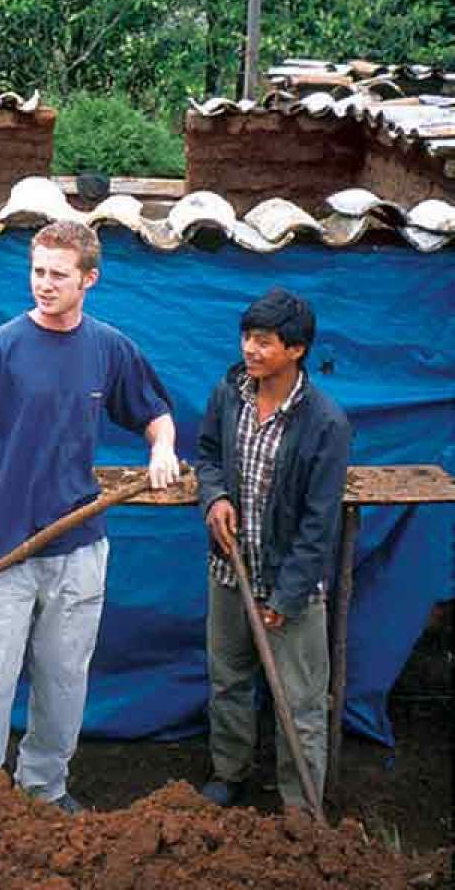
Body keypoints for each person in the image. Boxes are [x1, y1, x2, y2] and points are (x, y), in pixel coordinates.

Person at [0, 220, 179, 813]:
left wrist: (163, 447)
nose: (44, 285)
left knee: (64, 685)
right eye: (37, 272)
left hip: (78, 549)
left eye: (58, 275)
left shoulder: (108, 348)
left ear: (89, 279)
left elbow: (155, 412)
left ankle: (44, 791)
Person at [195, 287, 350, 813]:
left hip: (292, 589)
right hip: (230, 574)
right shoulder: (229, 394)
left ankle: (300, 809)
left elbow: (319, 523)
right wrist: (215, 497)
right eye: (247, 337)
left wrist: (286, 597)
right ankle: (228, 774)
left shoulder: (325, 423)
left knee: (300, 702)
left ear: (296, 350)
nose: (250, 349)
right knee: (228, 682)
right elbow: (207, 455)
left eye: (264, 341)